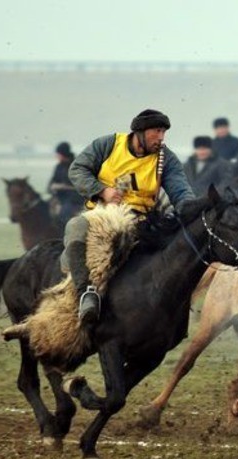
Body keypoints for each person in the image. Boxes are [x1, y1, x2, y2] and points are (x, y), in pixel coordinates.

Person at [65, 109, 195, 323]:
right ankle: (86, 293)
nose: (161, 138)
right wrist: (102, 190)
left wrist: (192, 210)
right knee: (75, 226)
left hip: (141, 220)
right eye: (157, 131)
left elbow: (181, 191)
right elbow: (77, 170)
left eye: (163, 132)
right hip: (102, 215)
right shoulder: (108, 145)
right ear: (139, 132)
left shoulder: (165, 158)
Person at [48, 141, 84, 228]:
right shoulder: (58, 167)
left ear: (63, 154)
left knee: (64, 213)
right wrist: (54, 186)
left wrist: (64, 187)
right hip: (59, 197)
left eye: (58, 154)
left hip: (74, 198)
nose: (56, 156)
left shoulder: (77, 165)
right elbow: (51, 184)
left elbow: (82, 185)